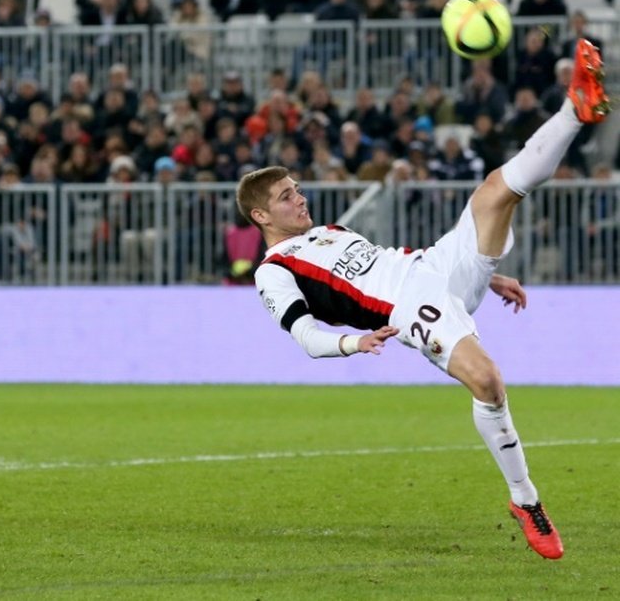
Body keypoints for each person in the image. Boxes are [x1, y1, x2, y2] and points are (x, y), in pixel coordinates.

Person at [235, 39, 611, 561]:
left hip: (432, 267)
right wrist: (352, 342)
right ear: (260, 216)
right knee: (488, 381)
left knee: (497, 190)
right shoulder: (273, 271)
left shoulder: (331, 230)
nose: (299, 198)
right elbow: (304, 337)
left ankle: (576, 106)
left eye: (296, 188)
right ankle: (525, 500)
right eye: (285, 196)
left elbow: (388, 260)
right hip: (407, 310)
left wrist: (489, 277)